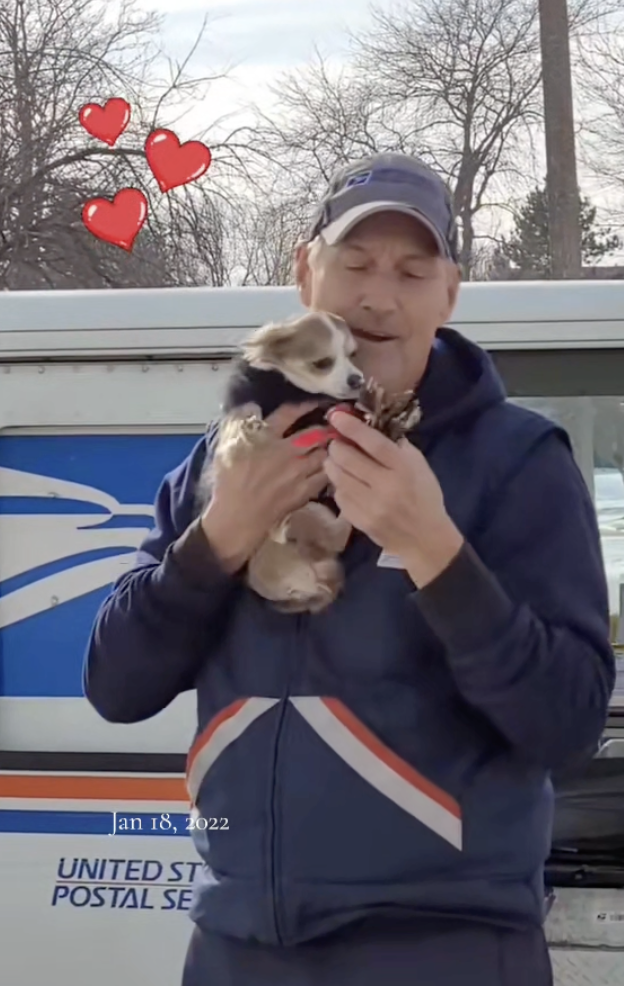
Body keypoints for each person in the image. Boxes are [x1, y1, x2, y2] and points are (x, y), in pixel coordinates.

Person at [83, 152, 615, 986]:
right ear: (305, 272)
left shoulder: (519, 463)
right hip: (236, 946)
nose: (378, 297)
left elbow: (568, 722)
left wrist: (435, 550)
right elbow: (115, 687)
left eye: (411, 271)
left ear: (449, 294)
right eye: (355, 263)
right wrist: (220, 537)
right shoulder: (215, 469)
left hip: (448, 949)